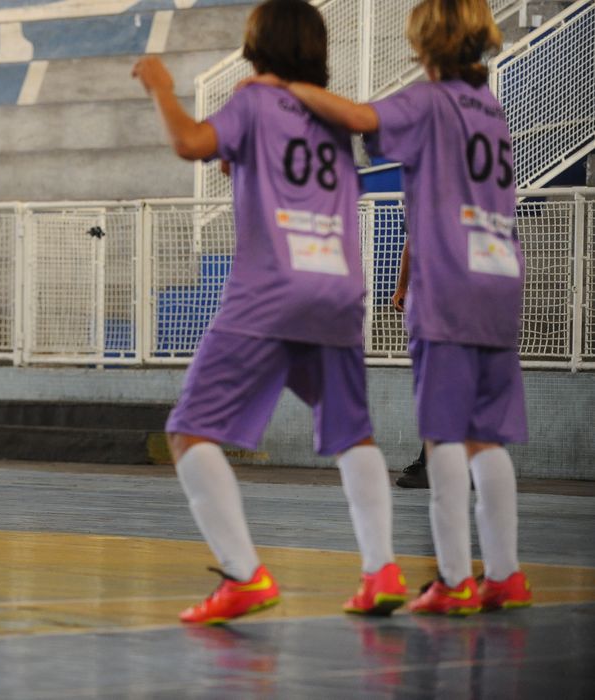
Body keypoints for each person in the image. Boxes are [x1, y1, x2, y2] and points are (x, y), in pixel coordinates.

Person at [255, 0, 532, 615]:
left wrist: (288, 83)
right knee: (487, 439)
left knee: (443, 439)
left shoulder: (432, 103)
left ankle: (455, 581)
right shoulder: (491, 109)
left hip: (452, 286)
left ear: (425, 40)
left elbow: (359, 116)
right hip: (499, 276)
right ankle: (507, 576)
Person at [133, 0, 405, 625]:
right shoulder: (334, 120)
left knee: (190, 431)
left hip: (270, 289)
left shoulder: (254, 102)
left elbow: (188, 143)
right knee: (353, 434)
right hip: (338, 289)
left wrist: (162, 88)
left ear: (256, 48)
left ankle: (242, 575)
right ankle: (382, 570)